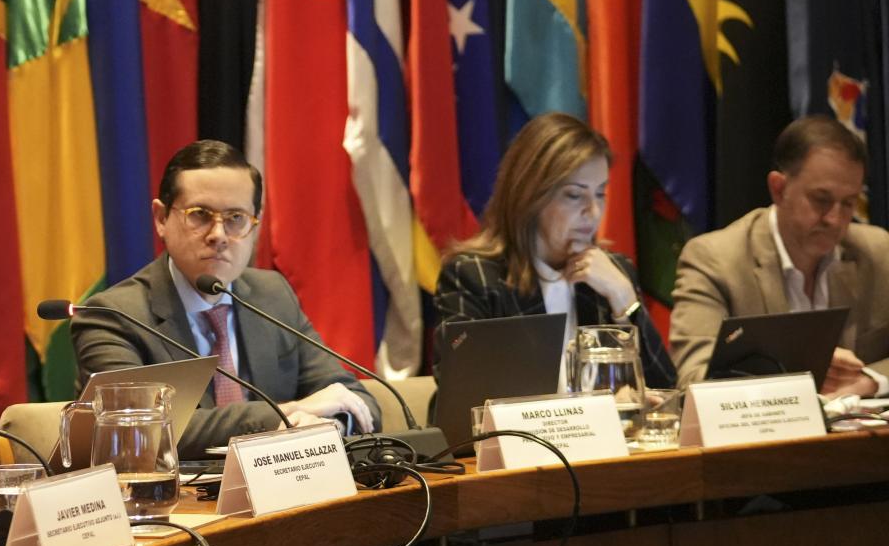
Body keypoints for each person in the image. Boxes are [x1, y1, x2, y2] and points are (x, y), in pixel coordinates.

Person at [72, 140, 380, 451]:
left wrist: (330, 425)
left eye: (235, 218)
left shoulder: (272, 296)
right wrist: (286, 415)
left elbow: (353, 398)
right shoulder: (114, 316)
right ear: (161, 218)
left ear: (254, 223)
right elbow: (135, 429)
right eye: (200, 215)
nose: (219, 235)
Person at [435, 112, 676, 388]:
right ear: (530, 196)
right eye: (575, 195)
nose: (593, 212)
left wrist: (625, 300)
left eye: (600, 193)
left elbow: (667, 390)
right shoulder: (473, 276)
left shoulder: (612, 273)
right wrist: (599, 407)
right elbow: (462, 391)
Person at [670, 115, 889, 393]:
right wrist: (803, 368)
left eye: (848, 203)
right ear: (779, 188)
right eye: (821, 200)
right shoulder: (714, 261)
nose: (835, 219)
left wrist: (868, 381)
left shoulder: (878, 252)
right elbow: (693, 380)